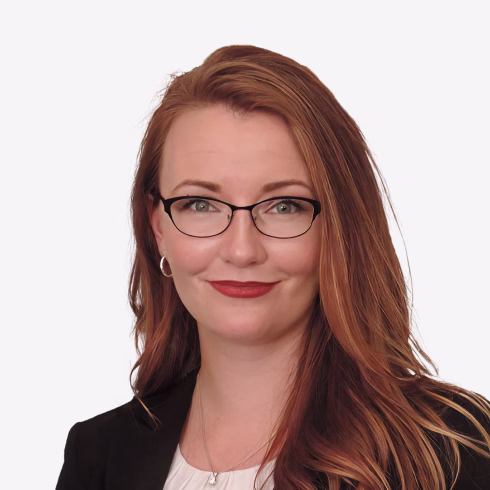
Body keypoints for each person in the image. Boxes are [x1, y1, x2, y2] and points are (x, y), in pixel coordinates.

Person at [56, 45, 490, 490]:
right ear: (158, 227)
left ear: (339, 227)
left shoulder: (454, 450)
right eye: (200, 204)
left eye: (284, 206)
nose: (242, 250)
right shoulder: (98, 455)